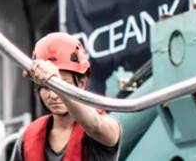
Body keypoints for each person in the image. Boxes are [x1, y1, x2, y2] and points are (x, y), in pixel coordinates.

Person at [12, 32, 121, 161]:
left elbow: (95, 126)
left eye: (63, 85)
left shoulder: (106, 127)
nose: (53, 95)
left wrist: (55, 80)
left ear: (81, 83)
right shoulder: (27, 138)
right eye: (46, 86)